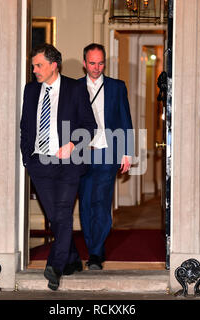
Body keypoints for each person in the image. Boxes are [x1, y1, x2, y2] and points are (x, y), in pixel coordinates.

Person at [20, 43, 97, 290]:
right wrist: (27, 158)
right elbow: (25, 126)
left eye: (39, 65)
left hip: (68, 163)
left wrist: (73, 144)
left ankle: (55, 265)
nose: (34, 70)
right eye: (33, 65)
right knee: (55, 217)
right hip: (40, 163)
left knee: (62, 212)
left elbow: (90, 125)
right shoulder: (30, 91)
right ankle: (73, 258)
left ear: (54, 65)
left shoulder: (75, 88)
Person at [78, 43, 133, 270]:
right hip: (81, 155)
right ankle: (92, 246)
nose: (96, 67)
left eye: (100, 63)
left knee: (101, 204)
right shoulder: (74, 87)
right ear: (84, 63)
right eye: (92, 63)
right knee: (85, 204)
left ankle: (96, 253)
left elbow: (125, 119)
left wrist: (127, 152)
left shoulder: (117, 87)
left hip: (106, 154)